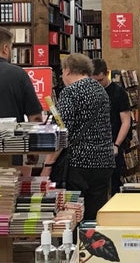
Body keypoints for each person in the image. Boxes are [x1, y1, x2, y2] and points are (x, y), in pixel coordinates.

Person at [41, 53, 114, 220]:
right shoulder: (101, 90)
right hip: (103, 161)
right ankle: (92, 243)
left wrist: (48, 163)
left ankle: (74, 245)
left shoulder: (70, 92)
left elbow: (62, 132)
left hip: (78, 163)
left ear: (67, 71)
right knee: (94, 214)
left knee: (72, 214)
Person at [91, 58, 132, 195]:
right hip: (94, 144)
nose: (97, 84)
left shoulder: (118, 93)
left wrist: (117, 144)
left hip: (114, 141)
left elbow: (126, 121)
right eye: (93, 81)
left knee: (115, 180)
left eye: (100, 80)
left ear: (107, 74)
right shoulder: (89, 93)